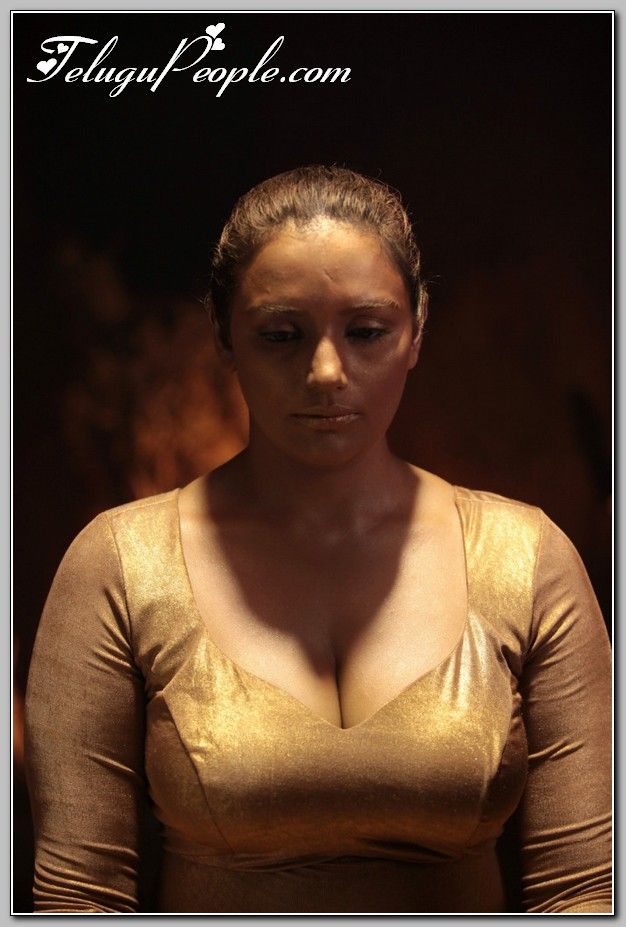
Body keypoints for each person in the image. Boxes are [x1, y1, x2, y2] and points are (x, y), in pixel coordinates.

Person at [24, 165, 612, 914]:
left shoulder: (525, 559)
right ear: (224, 335)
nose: (327, 371)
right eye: (281, 335)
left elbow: (584, 890)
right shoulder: (122, 565)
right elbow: (80, 896)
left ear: (416, 331)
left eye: (366, 331)